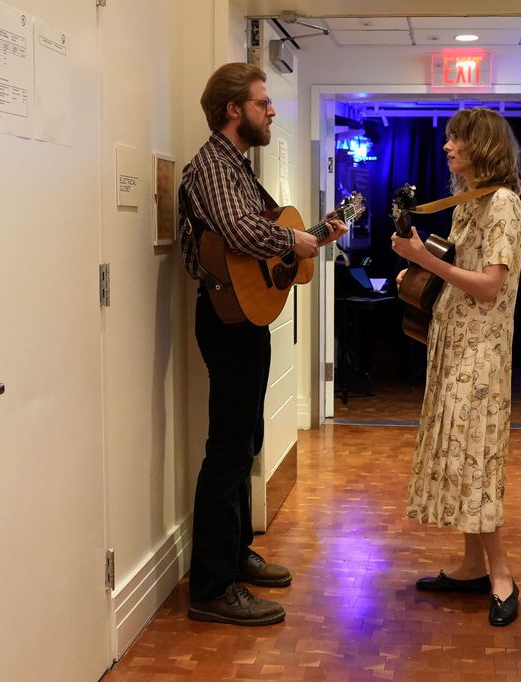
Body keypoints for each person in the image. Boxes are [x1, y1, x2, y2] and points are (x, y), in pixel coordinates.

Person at [180, 62, 346, 626]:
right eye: (262, 101)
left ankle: (232, 554)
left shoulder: (238, 167)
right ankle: (211, 586)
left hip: (245, 318)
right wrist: (296, 238)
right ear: (234, 110)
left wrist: (311, 236)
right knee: (227, 450)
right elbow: (240, 231)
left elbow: (261, 240)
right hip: (226, 321)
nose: (272, 110)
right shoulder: (213, 165)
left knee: (245, 439)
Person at [391, 107, 521, 627]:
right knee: (462, 456)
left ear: (483, 146)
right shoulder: (472, 202)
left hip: (480, 354)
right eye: (448, 138)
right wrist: (420, 268)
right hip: (455, 345)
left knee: (477, 459)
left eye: (457, 139)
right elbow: (459, 271)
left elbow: (490, 286)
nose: (447, 147)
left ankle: (501, 576)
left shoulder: (504, 204)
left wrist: (424, 260)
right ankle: (472, 566)